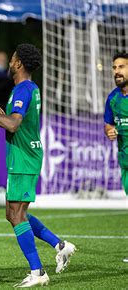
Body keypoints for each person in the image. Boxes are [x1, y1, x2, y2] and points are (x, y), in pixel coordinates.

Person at [0, 44, 77, 287]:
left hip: (24, 158)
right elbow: (13, 123)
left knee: (16, 215)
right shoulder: (29, 88)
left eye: (12, 60)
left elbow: (13, 124)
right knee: (14, 213)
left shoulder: (22, 90)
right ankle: (60, 245)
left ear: (18, 64)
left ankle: (37, 272)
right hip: (25, 156)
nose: (9, 64)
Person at [103, 51, 128, 264]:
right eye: (114, 68)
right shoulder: (112, 98)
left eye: (121, 67)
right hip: (125, 161)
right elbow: (108, 124)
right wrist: (109, 131)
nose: (117, 71)